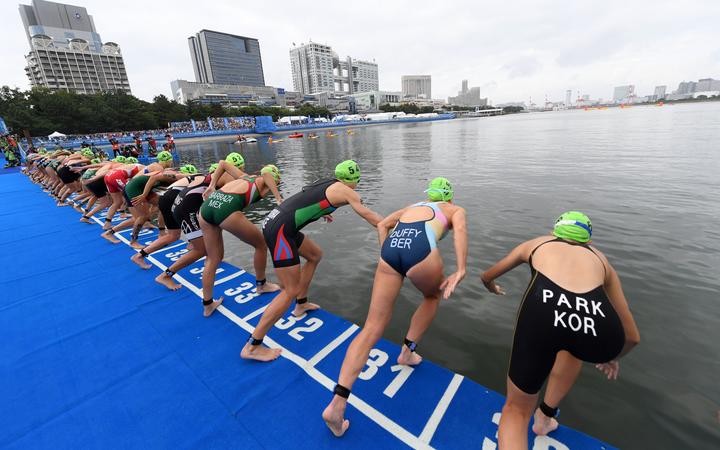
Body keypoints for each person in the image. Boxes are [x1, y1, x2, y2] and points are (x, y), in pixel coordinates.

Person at [479, 211, 640, 450]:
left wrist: (491, 286)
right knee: (573, 345)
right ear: (589, 241)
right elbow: (632, 337)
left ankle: (534, 416)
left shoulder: (537, 244)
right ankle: (545, 417)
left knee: (516, 410)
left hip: (542, 315)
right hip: (595, 324)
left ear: (553, 232)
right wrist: (611, 356)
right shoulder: (602, 260)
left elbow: (487, 274)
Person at [322, 177, 467, 437]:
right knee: (432, 297)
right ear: (449, 197)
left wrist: (385, 253)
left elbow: (383, 223)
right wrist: (461, 269)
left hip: (391, 251)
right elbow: (461, 234)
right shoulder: (453, 209)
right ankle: (407, 352)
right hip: (421, 251)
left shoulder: (412, 207)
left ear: (429, 196)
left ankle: (337, 403)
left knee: (371, 327)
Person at [241, 160, 383, 362]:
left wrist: (322, 213)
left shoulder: (326, 182)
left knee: (315, 255)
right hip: (280, 231)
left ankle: (301, 304)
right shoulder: (349, 192)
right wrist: (390, 226)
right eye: (357, 182)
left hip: (279, 223)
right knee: (288, 289)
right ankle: (252, 346)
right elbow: (369, 216)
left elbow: (306, 197)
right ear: (355, 180)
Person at [197, 155, 283, 317]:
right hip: (225, 209)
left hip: (207, 207)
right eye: (277, 181)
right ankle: (261, 285)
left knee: (212, 259)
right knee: (261, 245)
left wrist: (212, 186)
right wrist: (278, 198)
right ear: (276, 178)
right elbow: (266, 175)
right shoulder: (265, 179)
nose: (276, 185)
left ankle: (208, 304)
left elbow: (222, 163)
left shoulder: (244, 176)